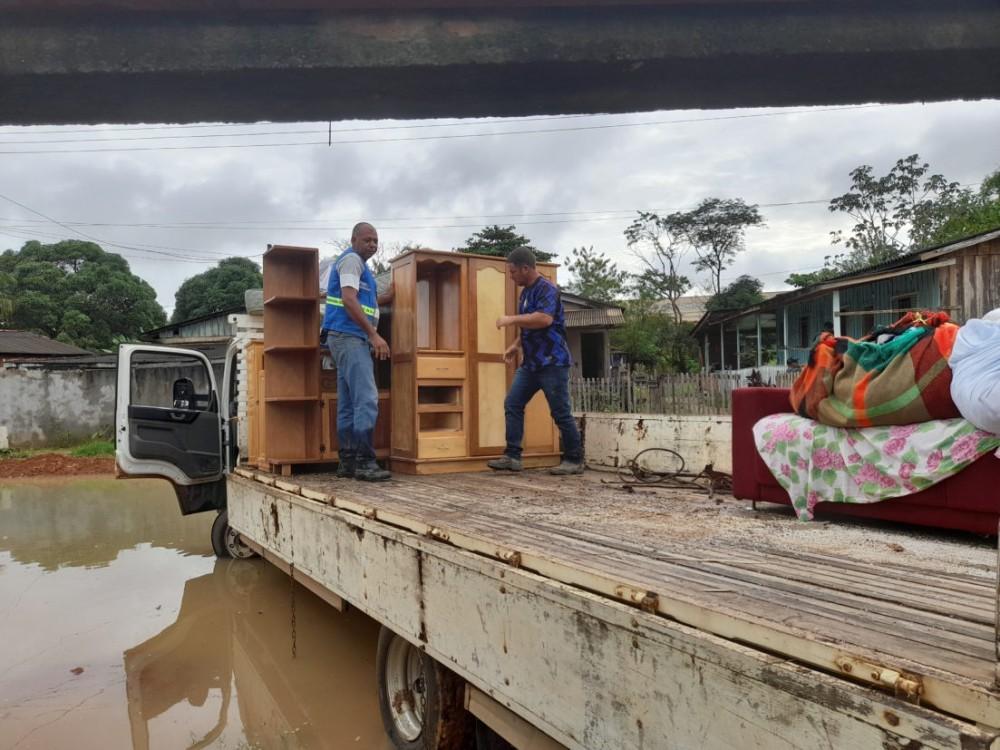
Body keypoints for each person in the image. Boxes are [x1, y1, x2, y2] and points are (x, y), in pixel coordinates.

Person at [487, 246, 584, 475]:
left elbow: (543, 319)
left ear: (525, 268)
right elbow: (530, 324)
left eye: (512, 272)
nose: (511, 277)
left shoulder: (547, 289)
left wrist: (511, 319)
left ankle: (574, 459)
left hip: (552, 362)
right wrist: (515, 345)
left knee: (560, 412)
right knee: (513, 403)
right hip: (530, 364)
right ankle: (512, 456)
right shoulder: (525, 293)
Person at [323, 222, 394, 482]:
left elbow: (364, 302)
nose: (373, 245)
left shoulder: (361, 268)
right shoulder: (352, 261)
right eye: (367, 240)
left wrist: (389, 297)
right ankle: (365, 462)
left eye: (376, 241)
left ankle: (348, 462)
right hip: (350, 337)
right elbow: (348, 299)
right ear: (354, 240)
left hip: (343, 338)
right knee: (366, 399)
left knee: (348, 403)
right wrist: (374, 335)